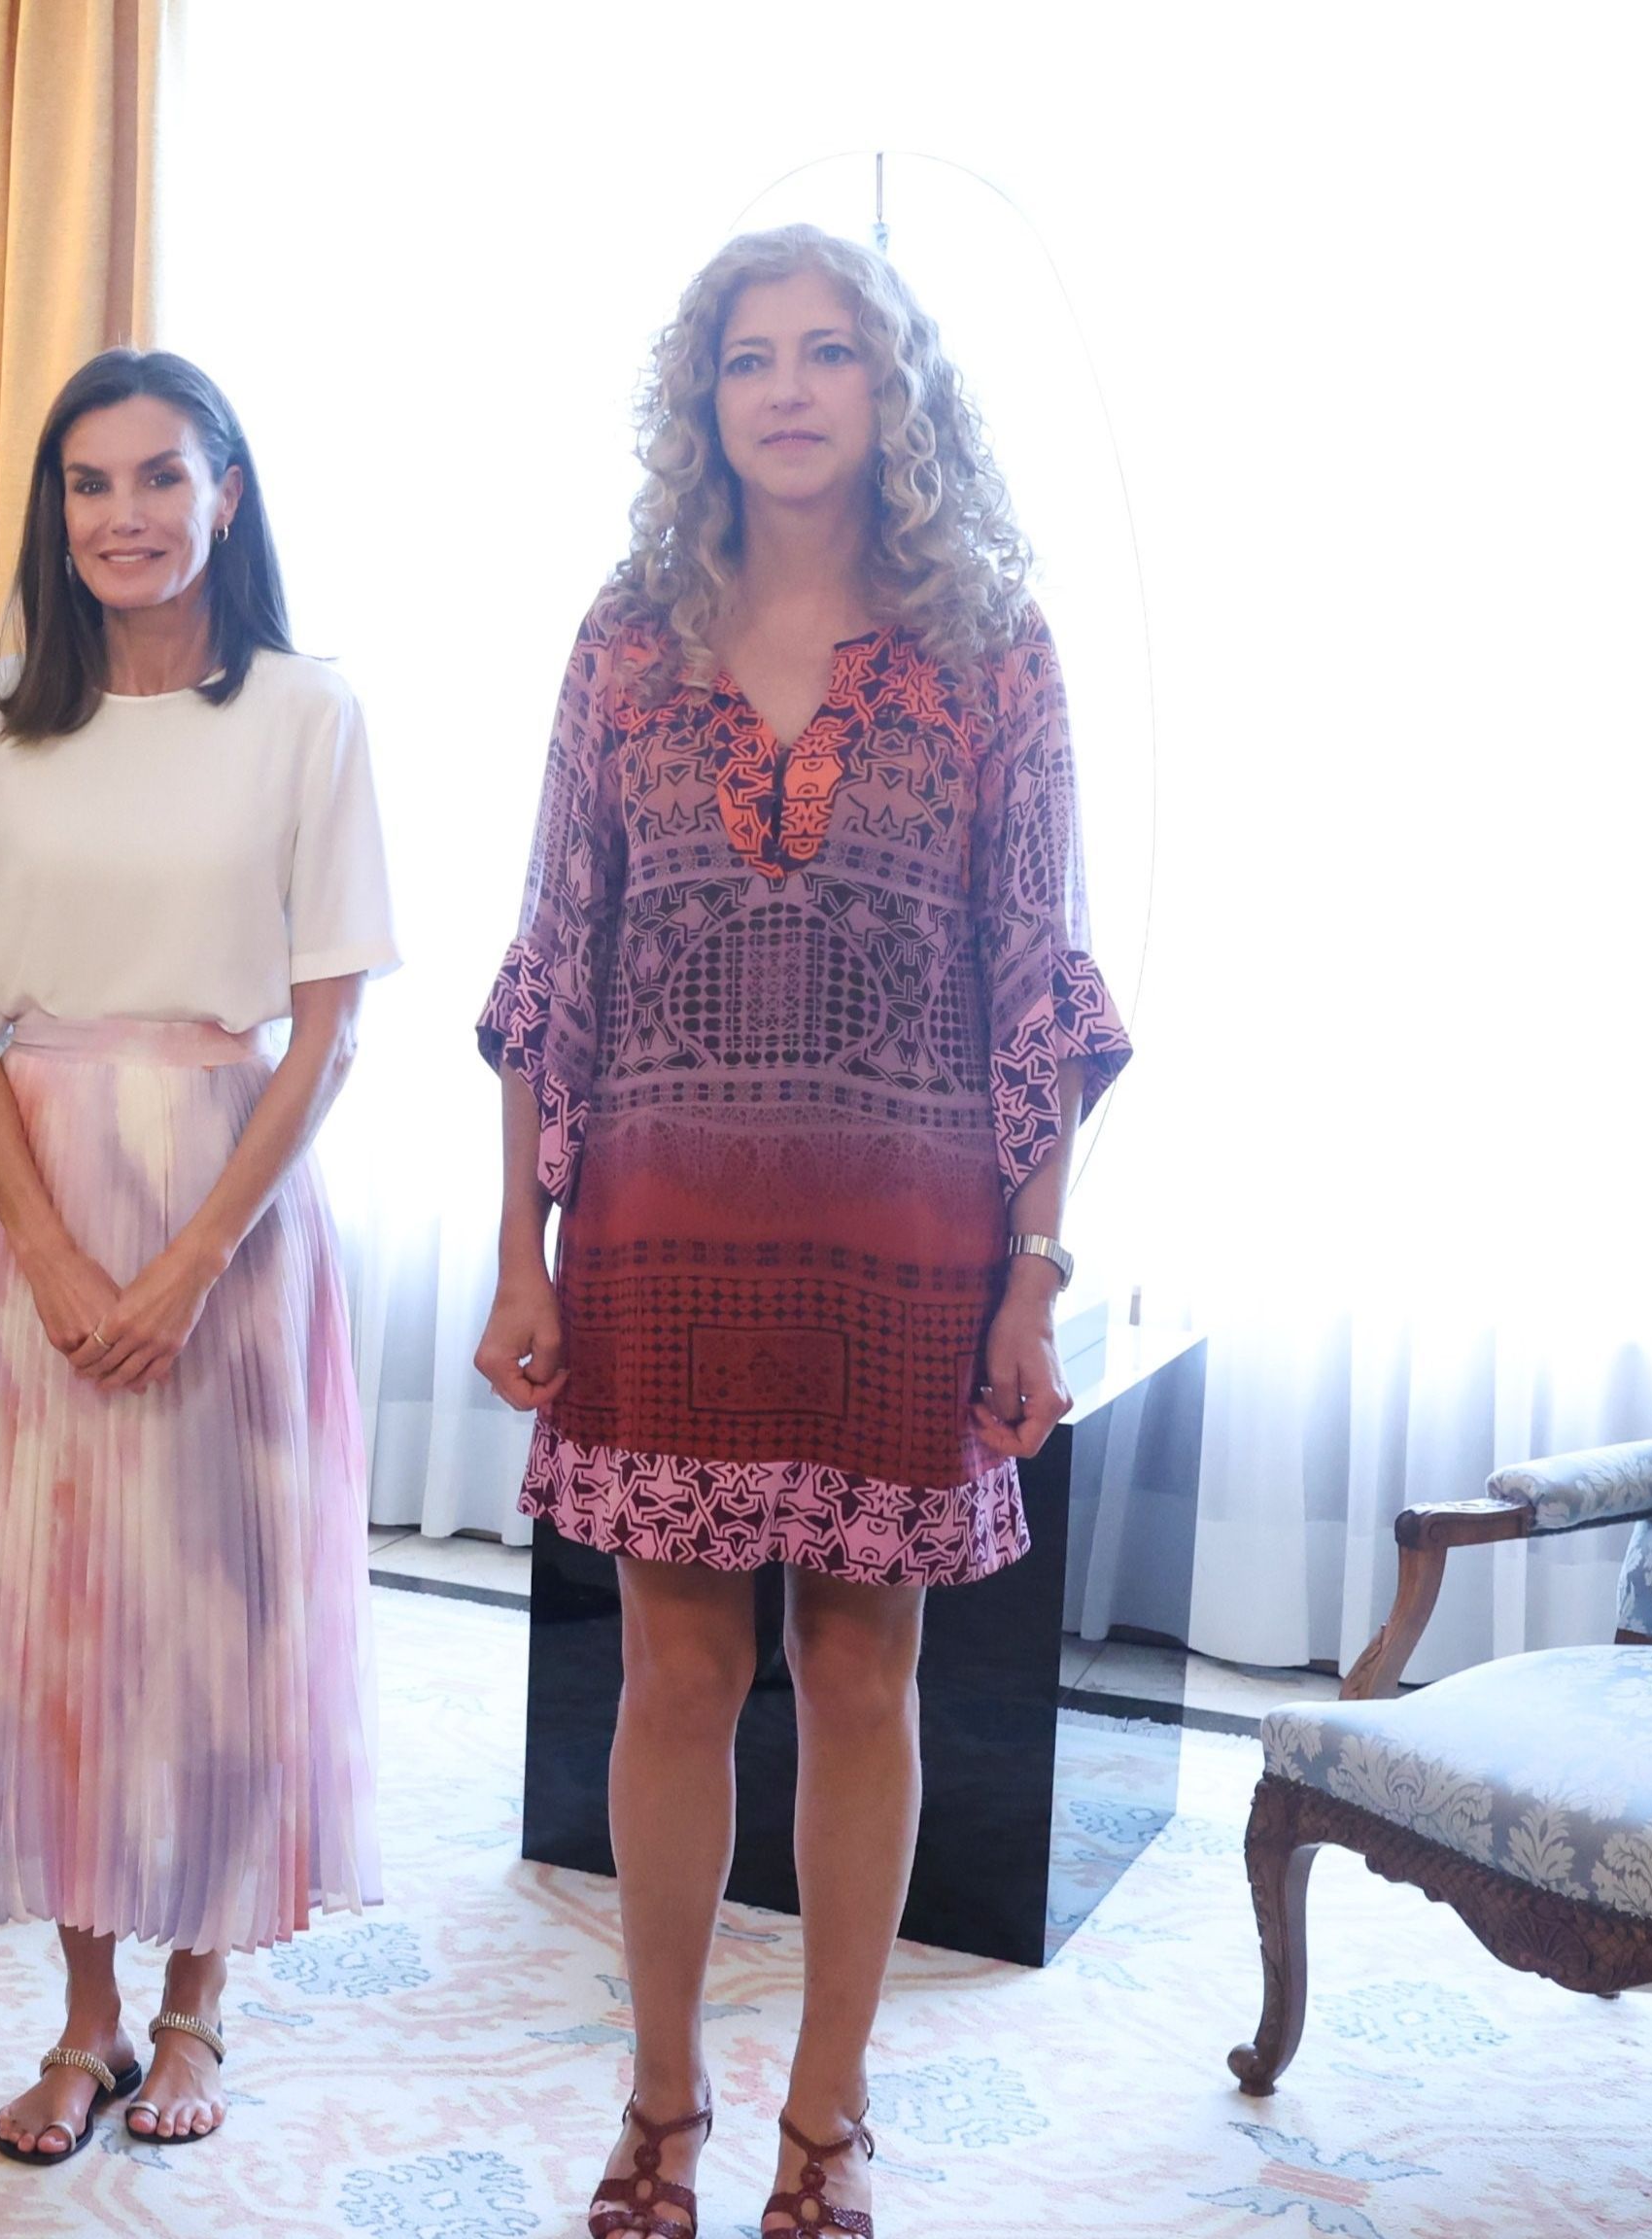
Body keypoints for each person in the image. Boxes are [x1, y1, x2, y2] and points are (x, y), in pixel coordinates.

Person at [470, 225, 1131, 2238]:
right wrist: (519, 1249)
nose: (782, 386)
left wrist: (1033, 1271)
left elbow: (1037, 977)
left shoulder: (993, 645)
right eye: (745, 356)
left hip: (905, 1252)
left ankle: (825, 2118)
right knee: (669, 1683)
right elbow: (546, 970)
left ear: (889, 390)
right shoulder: (619, 636)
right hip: (656, 1240)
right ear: (700, 400)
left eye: (826, 352)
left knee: (862, 1678)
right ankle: (658, 2100)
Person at [0, 350, 394, 2163]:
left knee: (218, 1616)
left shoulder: (305, 716)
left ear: (228, 496)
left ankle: (195, 2010)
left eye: (161, 479)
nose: (124, 515)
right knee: (59, 1621)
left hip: (233, 1208)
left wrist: (188, 1264)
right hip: (38, 1205)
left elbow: (331, 1028)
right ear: (59, 514)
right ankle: (87, 2020)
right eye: (90, 484)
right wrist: (44, 1250)